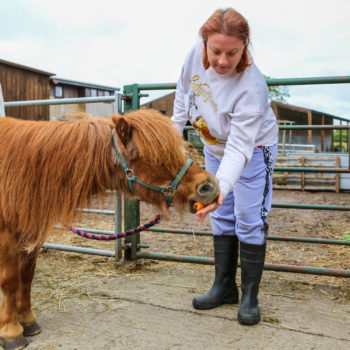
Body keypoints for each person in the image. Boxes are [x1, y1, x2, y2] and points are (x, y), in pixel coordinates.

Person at [171, 7, 278, 325]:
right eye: (216, 50)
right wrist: (171, 140)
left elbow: (240, 148)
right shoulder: (194, 56)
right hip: (214, 147)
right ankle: (223, 287)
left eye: (232, 53)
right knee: (222, 217)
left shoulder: (251, 87)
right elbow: (182, 94)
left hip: (253, 150)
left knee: (248, 217)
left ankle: (249, 296)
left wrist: (222, 188)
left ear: (245, 47)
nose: (222, 60)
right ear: (204, 43)